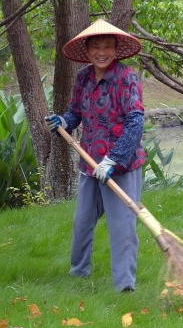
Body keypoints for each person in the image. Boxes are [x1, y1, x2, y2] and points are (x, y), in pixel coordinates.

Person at [45, 19, 146, 293]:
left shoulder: (127, 79)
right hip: (90, 162)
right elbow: (76, 112)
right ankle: (78, 273)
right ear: (88, 51)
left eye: (108, 46)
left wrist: (113, 159)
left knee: (122, 225)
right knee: (82, 221)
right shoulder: (83, 78)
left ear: (116, 49)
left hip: (120, 165)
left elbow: (136, 121)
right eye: (96, 47)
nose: (102, 52)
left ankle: (124, 285)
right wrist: (63, 123)